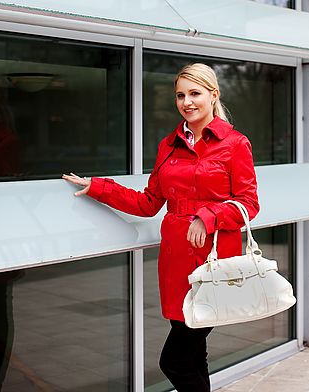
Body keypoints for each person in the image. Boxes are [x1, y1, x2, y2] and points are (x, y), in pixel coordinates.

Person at [62, 63, 259, 392]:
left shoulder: (235, 144)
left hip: (213, 262)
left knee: (174, 361)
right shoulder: (169, 145)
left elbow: (249, 204)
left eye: (195, 93)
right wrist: (98, 187)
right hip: (176, 261)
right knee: (195, 356)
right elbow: (149, 202)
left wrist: (208, 216)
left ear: (214, 95)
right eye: (180, 95)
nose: (187, 102)